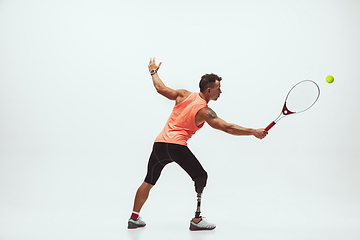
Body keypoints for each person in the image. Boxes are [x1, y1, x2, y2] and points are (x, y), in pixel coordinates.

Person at [128, 58, 267, 231]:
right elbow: (228, 128)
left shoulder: (184, 94)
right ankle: (197, 220)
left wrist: (153, 71)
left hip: (159, 144)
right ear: (209, 90)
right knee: (201, 176)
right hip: (176, 146)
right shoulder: (205, 111)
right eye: (218, 89)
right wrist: (253, 131)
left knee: (149, 181)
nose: (221, 92)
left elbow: (160, 88)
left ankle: (134, 218)